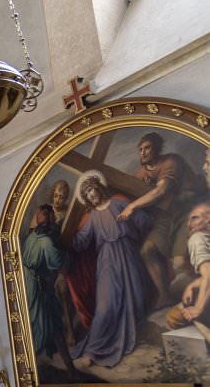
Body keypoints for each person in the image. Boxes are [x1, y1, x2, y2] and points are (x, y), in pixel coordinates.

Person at [70, 173, 153, 367]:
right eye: (87, 194)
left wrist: (136, 215)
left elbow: (144, 221)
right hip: (107, 262)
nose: (91, 195)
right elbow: (81, 242)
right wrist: (64, 238)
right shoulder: (91, 218)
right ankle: (92, 351)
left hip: (128, 255)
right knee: (105, 306)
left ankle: (123, 338)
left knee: (137, 299)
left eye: (92, 190)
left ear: (99, 188)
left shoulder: (119, 204)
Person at [119, 132, 206, 306]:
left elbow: (161, 190)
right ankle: (163, 295)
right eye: (140, 149)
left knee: (180, 261)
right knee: (147, 250)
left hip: (186, 213)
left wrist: (133, 206)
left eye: (147, 148)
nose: (143, 153)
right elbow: (126, 189)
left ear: (157, 148)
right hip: (165, 218)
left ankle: (204, 288)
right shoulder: (142, 172)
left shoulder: (171, 161)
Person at [22, 205, 78, 374]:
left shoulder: (31, 237)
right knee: (53, 326)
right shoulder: (46, 242)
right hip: (41, 289)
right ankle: (70, 369)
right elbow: (58, 262)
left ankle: (37, 368)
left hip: (32, 285)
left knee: (41, 325)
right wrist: (68, 251)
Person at [166, 202, 210, 329]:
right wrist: (193, 285)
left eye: (195, 217)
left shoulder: (198, 238)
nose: (188, 224)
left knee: (173, 318)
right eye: (188, 219)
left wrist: (198, 308)